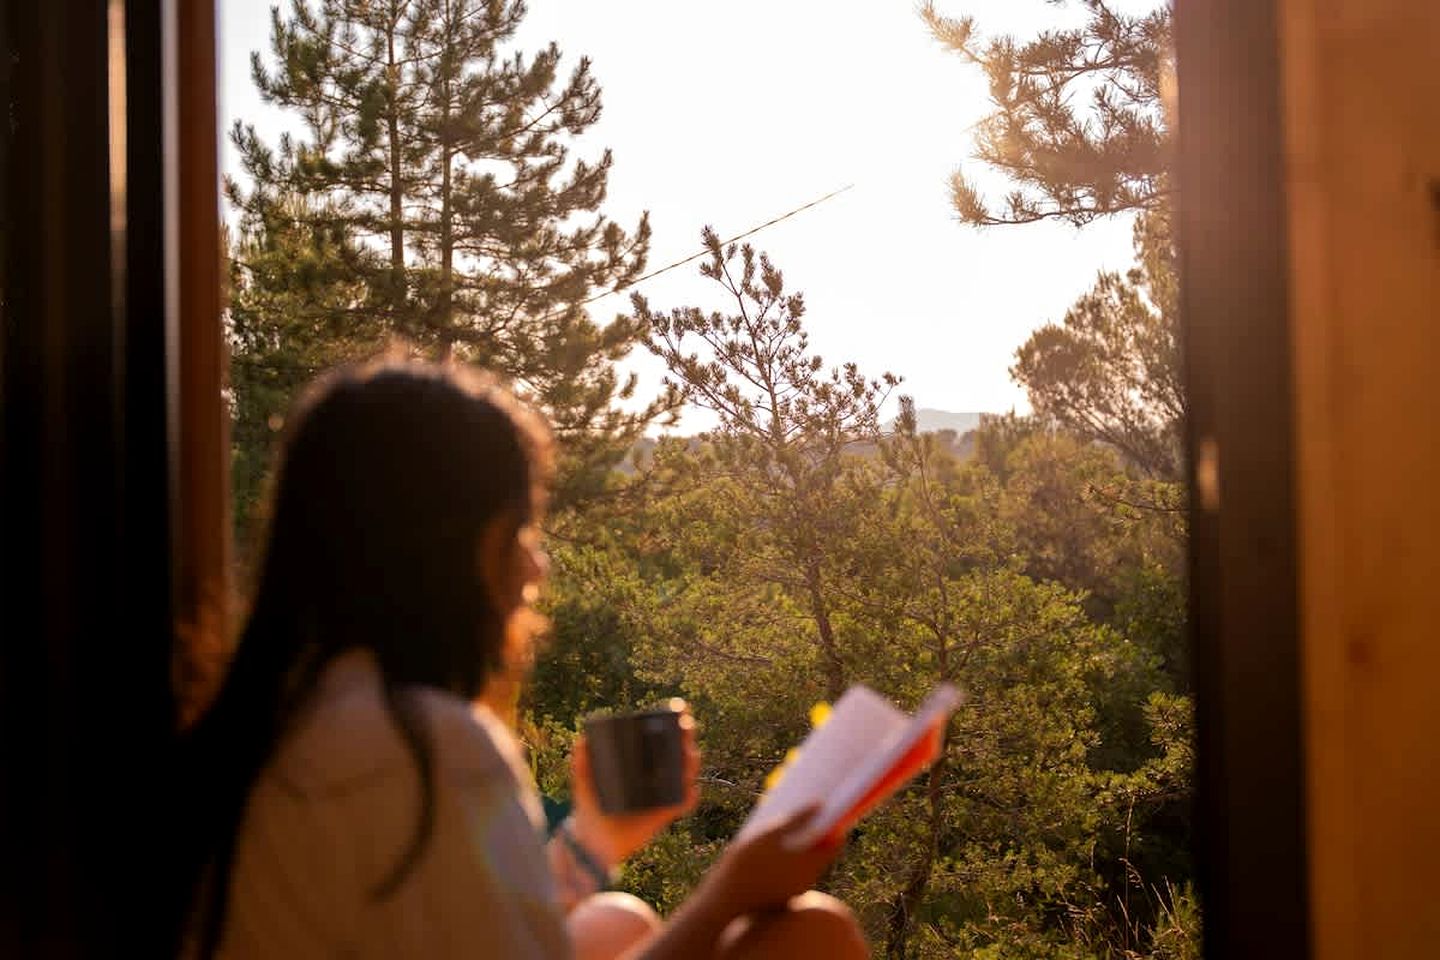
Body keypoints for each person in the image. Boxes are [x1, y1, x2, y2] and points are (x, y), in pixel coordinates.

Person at [172, 357, 868, 959]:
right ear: (456, 553)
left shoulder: (288, 710)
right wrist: (730, 892)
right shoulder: (424, 746)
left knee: (616, 923)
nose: (536, 568)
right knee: (814, 933)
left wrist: (595, 839)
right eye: (520, 533)